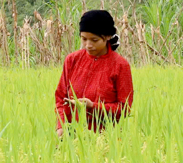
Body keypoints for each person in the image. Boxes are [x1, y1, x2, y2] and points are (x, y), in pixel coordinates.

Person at [55, 9, 133, 137]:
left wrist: (93, 106)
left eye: (94, 40)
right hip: (70, 135)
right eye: (84, 39)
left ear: (108, 37)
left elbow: (124, 108)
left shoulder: (120, 65)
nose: (88, 45)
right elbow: (60, 98)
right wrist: (61, 126)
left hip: (105, 137)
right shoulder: (72, 60)